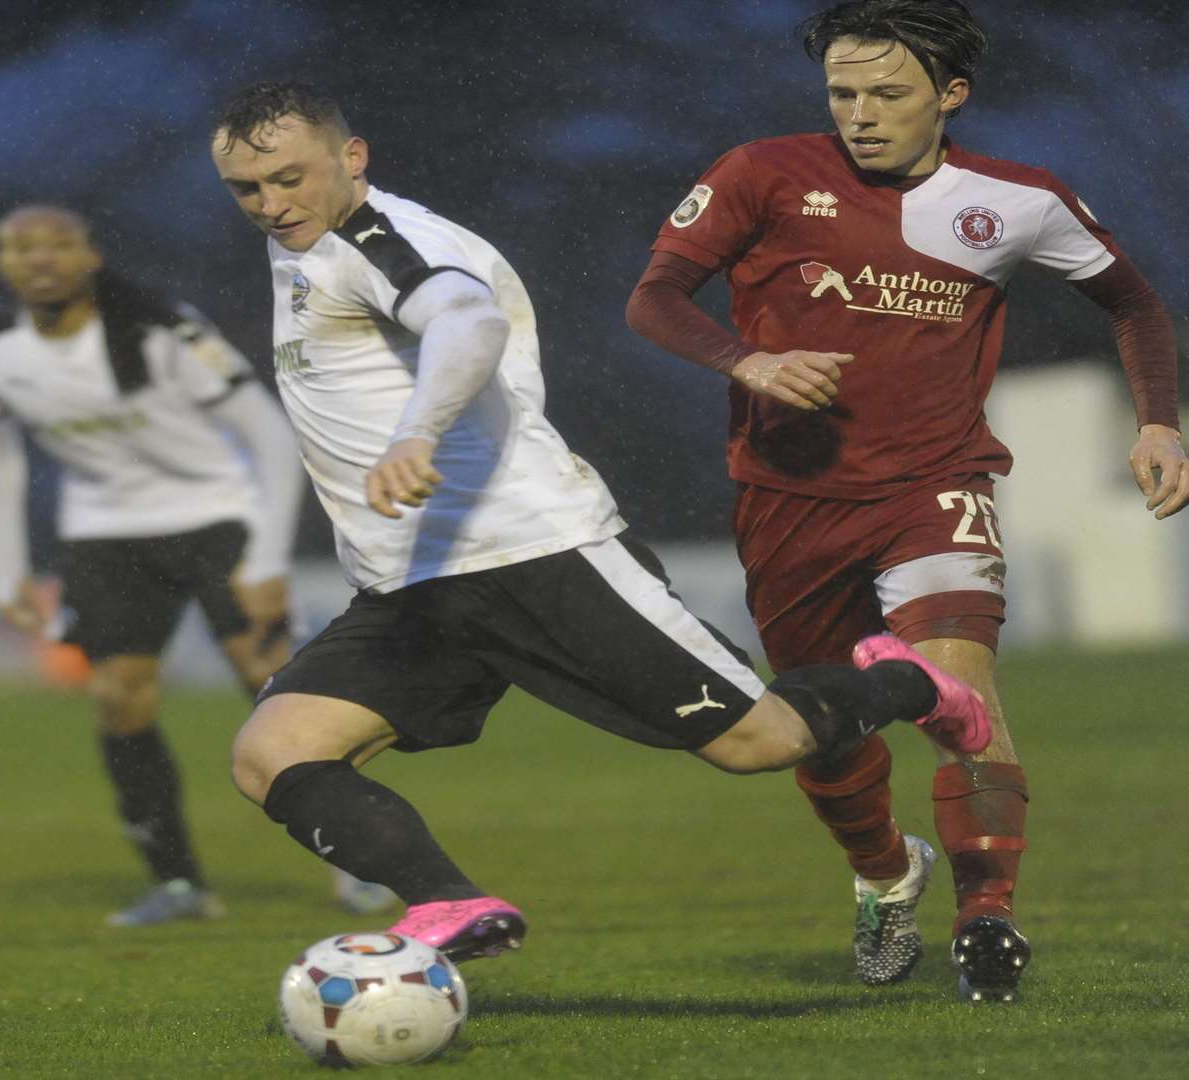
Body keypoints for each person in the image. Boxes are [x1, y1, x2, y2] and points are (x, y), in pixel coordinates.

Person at [206, 80, 998, 968]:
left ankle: (906, 686)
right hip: (410, 585)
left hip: (535, 552)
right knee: (272, 754)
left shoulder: (379, 240)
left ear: (353, 158)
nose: (272, 205)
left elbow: (463, 319)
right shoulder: (306, 244)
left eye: (289, 177)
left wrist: (416, 433)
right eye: (248, 189)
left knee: (758, 743)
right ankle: (450, 904)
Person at [624, 0, 1183, 1002]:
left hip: (936, 484)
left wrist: (1158, 421)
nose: (861, 114)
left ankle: (987, 922)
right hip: (788, 500)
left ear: (950, 94)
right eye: (843, 92)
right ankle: (886, 872)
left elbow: (1134, 303)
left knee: (959, 687)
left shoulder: (1018, 201)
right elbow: (653, 299)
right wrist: (749, 360)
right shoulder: (762, 171)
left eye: (888, 92)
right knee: (819, 731)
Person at [0, 204, 351, 925]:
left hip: (216, 518)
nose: (40, 259)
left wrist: (267, 558)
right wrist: (7, 572)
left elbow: (268, 431)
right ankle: (178, 885)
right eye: (19, 247)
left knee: (273, 692)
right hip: (105, 536)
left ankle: (356, 866)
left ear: (91, 255)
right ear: (1, 262)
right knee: (118, 699)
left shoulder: (164, 328)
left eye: (58, 244)